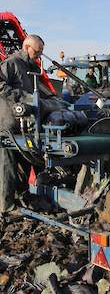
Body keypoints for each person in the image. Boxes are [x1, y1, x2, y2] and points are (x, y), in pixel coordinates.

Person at [0, 34, 66, 213]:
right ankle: (6, 207)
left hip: (23, 125)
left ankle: (22, 199)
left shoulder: (30, 67)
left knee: (25, 162)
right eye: (38, 51)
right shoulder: (12, 63)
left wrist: (55, 100)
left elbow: (38, 93)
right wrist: (21, 98)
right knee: (7, 167)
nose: (39, 55)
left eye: (41, 52)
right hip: (7, 123)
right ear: (26, 46)